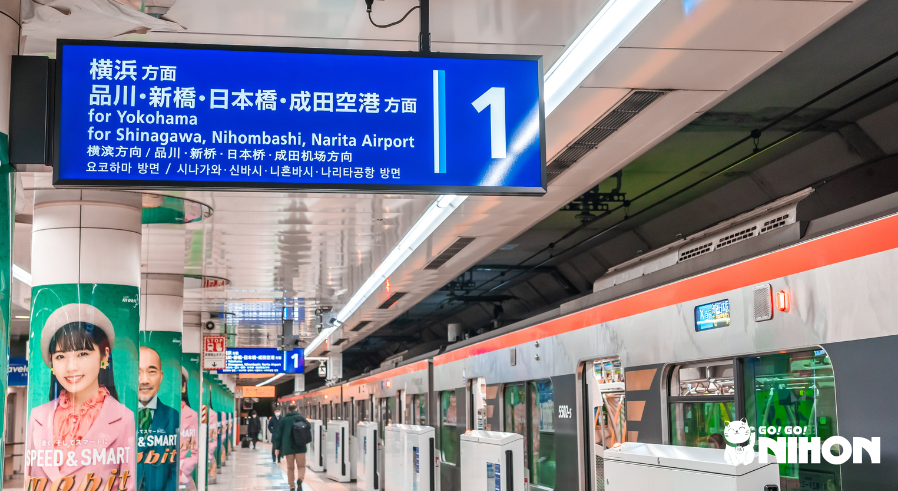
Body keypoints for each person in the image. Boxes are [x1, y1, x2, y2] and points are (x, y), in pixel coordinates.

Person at [25, 304, 137, 491]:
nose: (71, 367)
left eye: (82, 354)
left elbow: (128, 485)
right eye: (60, 356)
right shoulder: (38, 416)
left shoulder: (123, 417)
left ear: (105, 355)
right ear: (52, 361)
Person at [136, 346, 180, 491]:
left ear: (161, 376)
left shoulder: (172, 415)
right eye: (138, 372)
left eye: (151, 371)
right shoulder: (118, 414)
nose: (144, 380)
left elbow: (176, 465)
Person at [274, 405, 308, 491]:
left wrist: (277, 447)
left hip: (288, 447)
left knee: (290, 467)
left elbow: (279, 435)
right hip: (300, 446)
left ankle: (292, 487)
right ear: (296, 409)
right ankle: (300, 480)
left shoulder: (284, 420)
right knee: (301, 466)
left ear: (288, 410)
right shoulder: (301, 418)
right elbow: (309, 427)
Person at [179, 369, 198, 491]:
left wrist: (180, 470)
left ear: (183, 386)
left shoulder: (192, 415)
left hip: (183, 478)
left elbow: (195, 452)